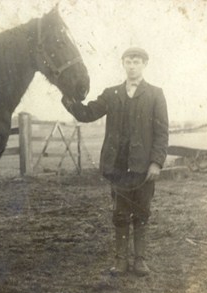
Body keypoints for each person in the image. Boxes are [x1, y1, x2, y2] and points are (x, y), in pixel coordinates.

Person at [61, 47, 169, 276]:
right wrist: (69, 100)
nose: (132, 65)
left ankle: (140, 261)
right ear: (123, 64)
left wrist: (156, 163)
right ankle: (120, 262)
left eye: (137, 61)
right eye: (128, 61)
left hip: (143, 169)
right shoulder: (111, 94)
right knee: (120, 214)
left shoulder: (156, 94)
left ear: (144, 64)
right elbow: (87, 114)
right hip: (118, 168)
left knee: (142, 214)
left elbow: (161, 133)